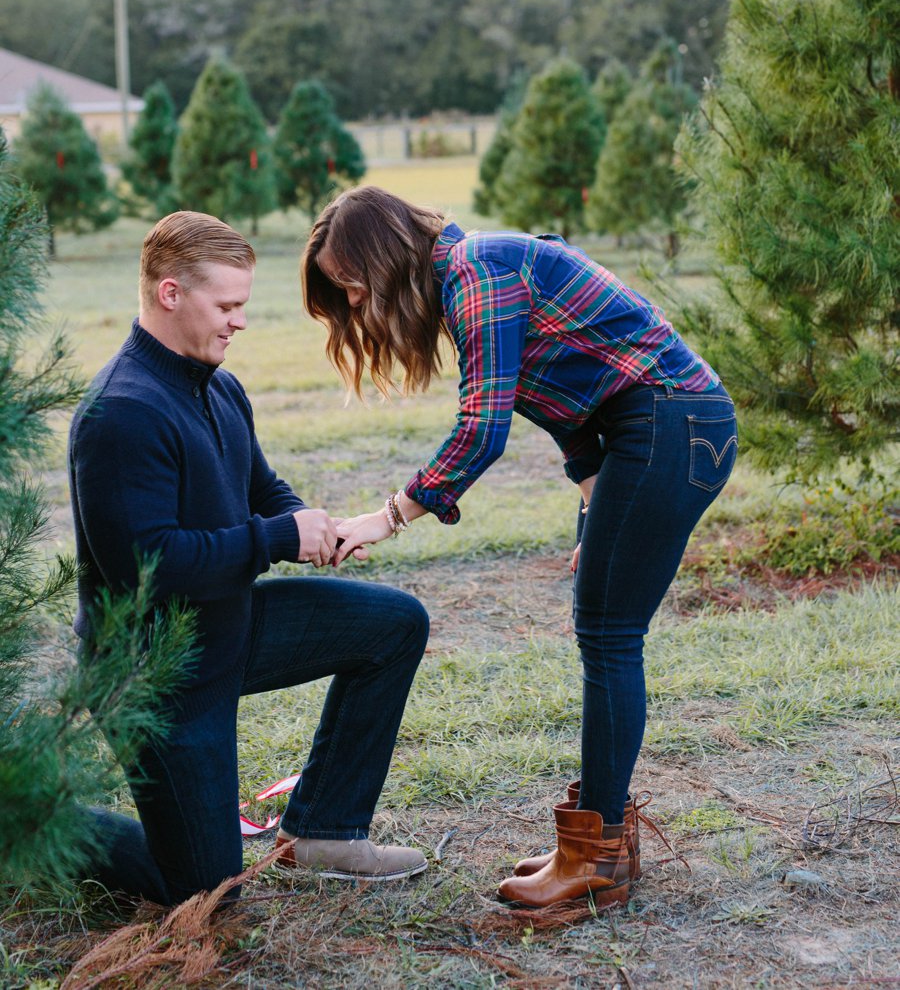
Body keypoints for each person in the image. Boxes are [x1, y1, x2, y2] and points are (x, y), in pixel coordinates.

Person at [302, 186, 738, 910]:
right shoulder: (475, 274)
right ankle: (602, 844)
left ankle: (592, 854)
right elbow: (574, 401)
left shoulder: (475, 273)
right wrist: (593, 507)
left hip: (669, 424)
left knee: (609, 635)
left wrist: (390, 515)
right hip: (665, 426)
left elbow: (484, 429)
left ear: (382, 261)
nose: (354, 309)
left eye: (353, 289)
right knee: (602, 630)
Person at [69, 211, 429, 907]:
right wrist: (275, 540)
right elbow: (152, 567)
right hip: (155, 674)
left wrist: (306, 524)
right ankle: (31, 821)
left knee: (395, 625)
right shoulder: (121, 412)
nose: (240, 322)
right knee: (207, 890)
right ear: (171, 294)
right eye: (228, 305)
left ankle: (324, 829)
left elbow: (260, 489)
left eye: (243, 305)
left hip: (228, 625)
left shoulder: (218, 385)